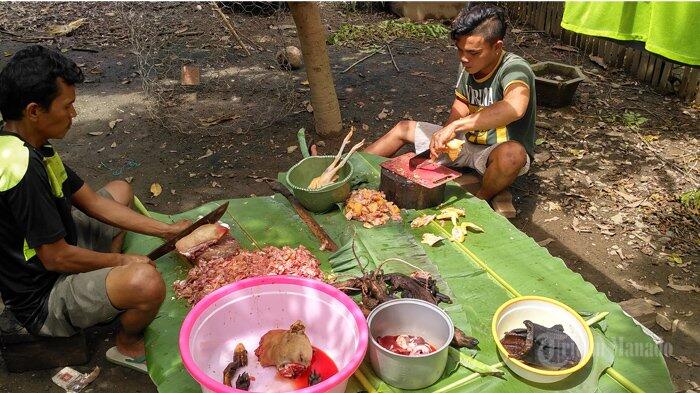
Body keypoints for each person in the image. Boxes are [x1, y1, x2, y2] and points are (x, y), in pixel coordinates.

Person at [0, 45, 190, 373]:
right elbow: (55, 257)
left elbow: (95, 202)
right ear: (34, 111)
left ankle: (107, 288)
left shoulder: (27, 143)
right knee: (146, 282)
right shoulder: (21, 170)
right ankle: (126, 344)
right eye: (67, 106)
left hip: (61, 255)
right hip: (43, 296)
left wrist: (168, 231)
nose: (73, 114)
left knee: (120, 190)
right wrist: (121, 261)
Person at [365, 4, 536, 208]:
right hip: (464, 142)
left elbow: (514, 107)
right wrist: (446, 134)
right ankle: (349, 167)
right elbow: (462, 102)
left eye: (473, 52)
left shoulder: (515, 68)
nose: (464, 58)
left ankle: (481, 200)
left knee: (512, 155)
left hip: (493, 152)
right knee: (403, 129)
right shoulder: (467, 64)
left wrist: (455, 127)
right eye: (460, 49)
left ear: (497, 47)